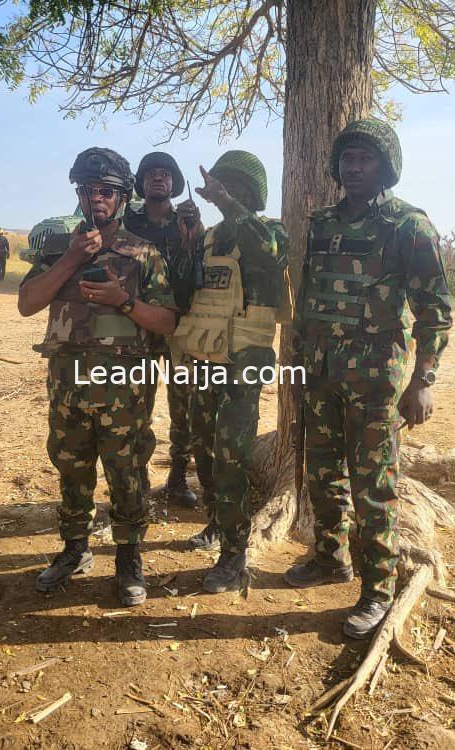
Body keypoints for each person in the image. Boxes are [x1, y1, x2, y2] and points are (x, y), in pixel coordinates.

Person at [283, 119, 453, 639]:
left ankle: (377, 587)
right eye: (347, 159)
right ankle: (329, 557)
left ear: (386, 168)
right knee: (322, 474)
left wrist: (423, 379)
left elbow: (435, 310)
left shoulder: (409, 227)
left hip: (375, 383)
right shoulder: (321, 223)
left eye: (366, 159)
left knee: (374, 485)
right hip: (320, 377)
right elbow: (305, 302)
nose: (353, 167)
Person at [18, 147, 177, 607]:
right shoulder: (58, 250)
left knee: (127, 474)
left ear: (123, 197)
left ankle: (129, 557)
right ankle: (74, 549)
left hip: (124, 395)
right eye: (88, 190)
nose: (97, 199)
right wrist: (70, 260)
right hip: (68, 388)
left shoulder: (143, 254)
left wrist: (122, 300)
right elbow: (28, 303)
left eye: (106, 191)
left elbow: (166, 321)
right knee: (72, 470)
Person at [171, 150, 288, 593]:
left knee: (231, 456)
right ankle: (218, 524)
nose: (226, 194)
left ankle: (234, 554)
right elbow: (187, 291)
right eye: (222, 186)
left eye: (236, 188)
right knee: (203, 449)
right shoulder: (210, 237)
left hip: (242, 365)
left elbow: (269, 253)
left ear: (251, 194)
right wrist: (186, 241)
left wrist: (229, 206)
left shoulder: (267, 230)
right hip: (203, 360)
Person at [123, 152, 204, 507]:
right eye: (151, 174)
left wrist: (192, 237)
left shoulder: (186, 220)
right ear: (140, 183)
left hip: (180, 325)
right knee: (137, 402)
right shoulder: (127, 222)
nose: (158, 178)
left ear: (174, 184)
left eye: (166, 174)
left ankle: (176, 477)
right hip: (139, 323)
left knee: (182, 405)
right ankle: (139, 475)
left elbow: (200, 267)